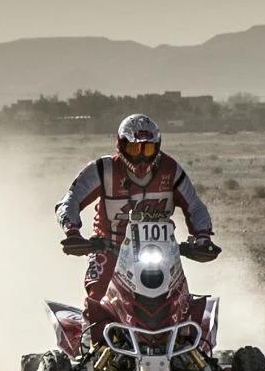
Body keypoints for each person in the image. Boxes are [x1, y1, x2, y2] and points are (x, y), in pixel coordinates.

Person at [54, 113, 218, 331]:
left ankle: (192, 343)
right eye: (134, 149)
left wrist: (202, 237)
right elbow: (69, 201)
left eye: (148, 150)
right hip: (109, 248)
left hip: (162, 250)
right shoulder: (103, 170)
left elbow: (195, 206)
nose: (141, 158)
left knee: (181, 300)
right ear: (121, 146)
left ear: (157, 148)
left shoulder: (171, 170)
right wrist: (72, 231)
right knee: (97, 296)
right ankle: (88, 346)